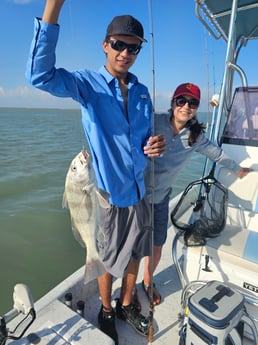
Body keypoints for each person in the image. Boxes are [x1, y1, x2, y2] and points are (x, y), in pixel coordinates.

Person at [26, 2, 166, 344]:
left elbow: (144, 137)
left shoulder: (143, 92)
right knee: (103, 260)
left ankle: (126, 304)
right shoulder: (87, 84)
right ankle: (106, 309)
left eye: (133, 47)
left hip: (140, 192)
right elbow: (40, 76)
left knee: (136, 254)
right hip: (106, 197)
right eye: (119, 44)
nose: (125, 53)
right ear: (105, 45)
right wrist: (52, 10)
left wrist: (155, 144)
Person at [141, 82, 252, 305]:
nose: (186, 106)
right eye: (181, 100)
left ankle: (146, 282)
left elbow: (217, 154)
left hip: (161, 198)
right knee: (134, 247)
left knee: (157, 246)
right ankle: (127, 291)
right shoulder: (152, 121)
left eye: (192, 103)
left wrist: (238, 169)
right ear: (173, 103)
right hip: (137, 196)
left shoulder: (196, 136)